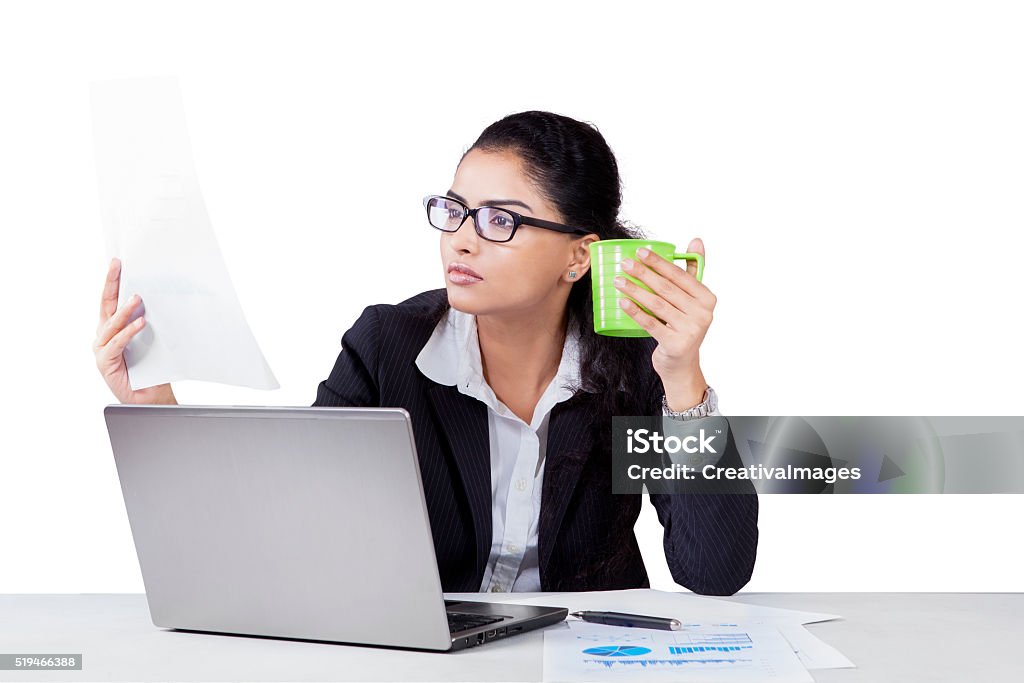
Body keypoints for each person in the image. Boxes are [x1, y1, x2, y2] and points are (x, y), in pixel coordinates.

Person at [93, 110, 758, 595]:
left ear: (578, 255)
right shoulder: (386, 347)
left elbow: (713, 571)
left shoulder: (635, 362)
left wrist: (684, 382)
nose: (461, 241)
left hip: (587, 662)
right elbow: (289, 534)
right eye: (454, 209)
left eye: (502, 220)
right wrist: (160, 408)